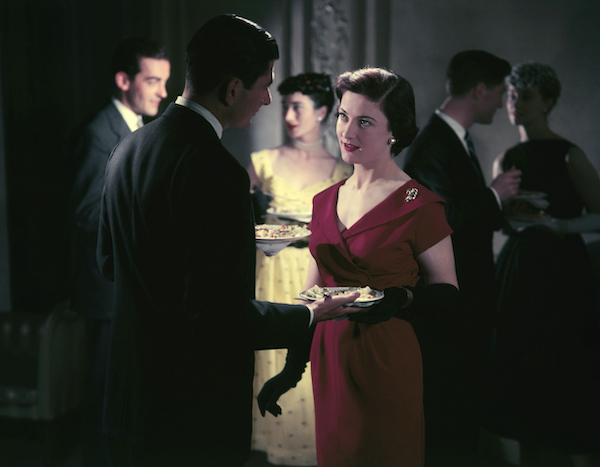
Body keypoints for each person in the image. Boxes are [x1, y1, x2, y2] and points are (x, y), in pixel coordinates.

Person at [96, 15, 361, 467]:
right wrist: (306, 316)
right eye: (265, 85)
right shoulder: (216, 170)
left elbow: (108, 264)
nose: (269, 98)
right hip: (190, 404)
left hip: (128, 392)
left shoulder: (129, 147)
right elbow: (217, 316)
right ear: (233, 89)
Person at [258, 67, 460, 466]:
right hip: (329, 358)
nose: (348, 132)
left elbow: (448, 294)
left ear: (394, 131)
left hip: (387, 357)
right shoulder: (324, 201)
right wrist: (292, 368)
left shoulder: (419, 202)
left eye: (365, 121)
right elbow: (311, 297)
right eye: (343, 116)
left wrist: (399, 298)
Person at [403, 50, 517, 466]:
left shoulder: (453, 140)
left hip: (461, 305)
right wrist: (493, 195)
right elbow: (433, 219)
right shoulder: (434, 143)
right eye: (501, 92)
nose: (503, 103)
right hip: (449, 308)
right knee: (448, 415)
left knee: (459, 409)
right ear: (481, 90)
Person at [484, 61, 600, 466]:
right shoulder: (508, 157)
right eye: (512, 95)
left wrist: (561, 225)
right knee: (520, 368)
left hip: (561, 273)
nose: (515, 103)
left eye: (526, 96)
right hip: (519, 269)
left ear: (548, 102)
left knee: (556, 368)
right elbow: (501, 220)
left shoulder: (569, 155)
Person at [69, 37, 170, 467]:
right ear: (123, 80)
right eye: (153, 81)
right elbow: (88, 214)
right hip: (107, 289)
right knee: (105, 393)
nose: (163, 93)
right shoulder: (100, 132)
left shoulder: (137, 128)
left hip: (131, 288)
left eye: (165, 82)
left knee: (128, 395)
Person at [247, 72, 352, 465]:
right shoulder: (263, 161)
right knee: (268, 354)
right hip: (270, 270)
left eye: (298, 107)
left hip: (315, 272)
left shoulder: (343, 170)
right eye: (285, 105)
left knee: (310, 363)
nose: (288, 115)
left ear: (323, 111)